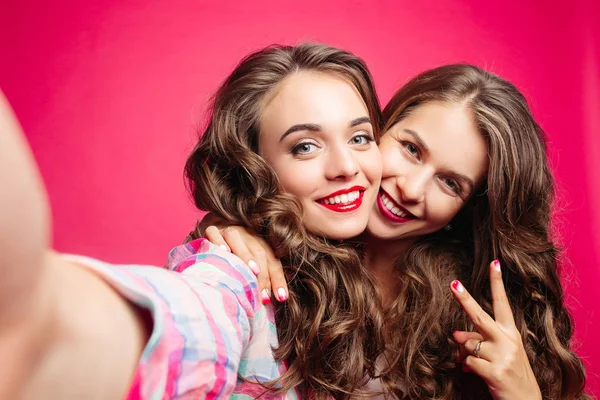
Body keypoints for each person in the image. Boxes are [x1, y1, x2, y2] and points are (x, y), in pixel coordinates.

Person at [0, 43, 387, 400]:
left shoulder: (404, 262)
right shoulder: (236, 271)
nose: (346, 167)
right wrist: (48, 317)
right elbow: (193, 319)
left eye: (359, 138)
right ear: (253, 168)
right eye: (305, 147)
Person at [204, 64, 590, 399]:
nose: (411, 188)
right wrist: (226, 226)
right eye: (410, 149)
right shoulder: (275, 255)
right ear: (377, 130)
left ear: (467, 208)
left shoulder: (471, 307)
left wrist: (522, 394)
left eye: (451, 183)